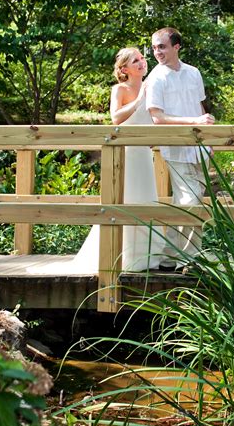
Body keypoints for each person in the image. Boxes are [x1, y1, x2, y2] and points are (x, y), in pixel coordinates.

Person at [76, 47, 163, 272]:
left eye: (142, 58)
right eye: (136, 60)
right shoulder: (120, 89)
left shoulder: (152, 86)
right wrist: (140, 98)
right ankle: (119, 256)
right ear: (124, 69)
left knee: (146, 199)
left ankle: (146, 257)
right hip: (125, 152)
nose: (142, 62)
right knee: (125, 199)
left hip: (144, 152)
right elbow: (116, 117)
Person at [145, 27, 215, 271]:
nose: (157, 52)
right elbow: (158, 118)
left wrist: (207, 138)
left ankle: (168, 256)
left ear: (176, 47)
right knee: (191, 201)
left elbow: (200, 108)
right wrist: (195, 122)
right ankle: (190, 259)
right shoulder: (156, 78)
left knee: (184, 201)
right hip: (175, 147)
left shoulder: (193, 73)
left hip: (198, 147)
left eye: (162, 46)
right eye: (154, 48)